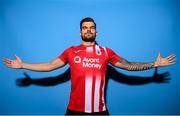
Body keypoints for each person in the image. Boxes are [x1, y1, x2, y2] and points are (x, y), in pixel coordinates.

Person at [3, 17, 176, 115]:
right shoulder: (71, 51)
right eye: (84, 28)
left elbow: (128, 66)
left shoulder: (106, 52)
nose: (88, 30)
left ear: (96, 32)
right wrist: (23, 64)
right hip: (74, 111)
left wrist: (154, 64)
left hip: (100, 112)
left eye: (91, 28)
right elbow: (49, 66)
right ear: (80, 32)